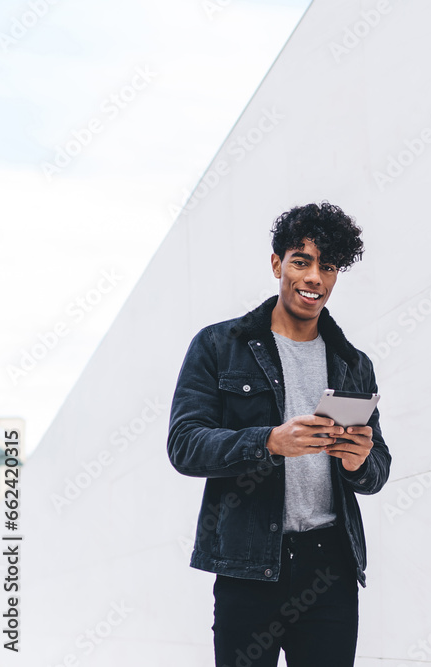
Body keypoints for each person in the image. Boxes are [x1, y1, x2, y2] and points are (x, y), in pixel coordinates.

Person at [167, 201, 391, 667]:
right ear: (277, 264)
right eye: (301, 261)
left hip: (330, 568)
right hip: (250, 567)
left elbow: (378, 470)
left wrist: (358, 461)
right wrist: (268, 442)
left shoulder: (354, 363)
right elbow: (184, 444)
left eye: (326, 267)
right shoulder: (218, 345)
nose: (313, 278)